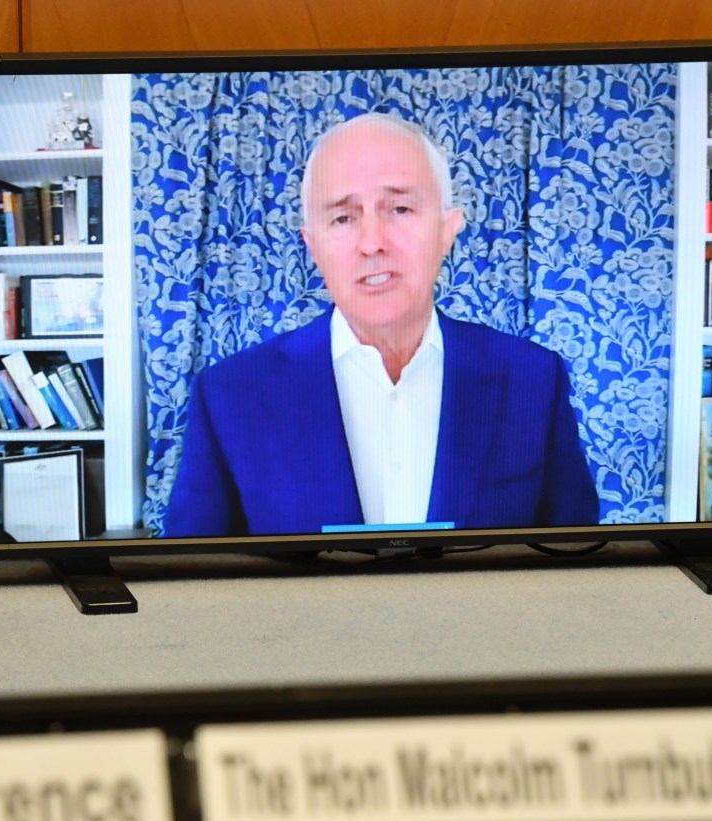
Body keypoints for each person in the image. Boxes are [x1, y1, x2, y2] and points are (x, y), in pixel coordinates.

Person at [163, 113, 598, 537]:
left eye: (401, 209)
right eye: (343, 217)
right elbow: (193, 577)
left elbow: (575, 560)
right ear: (312, 246)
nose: (372, 243)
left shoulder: (531, 378)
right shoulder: (231, 393)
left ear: (448, 229)